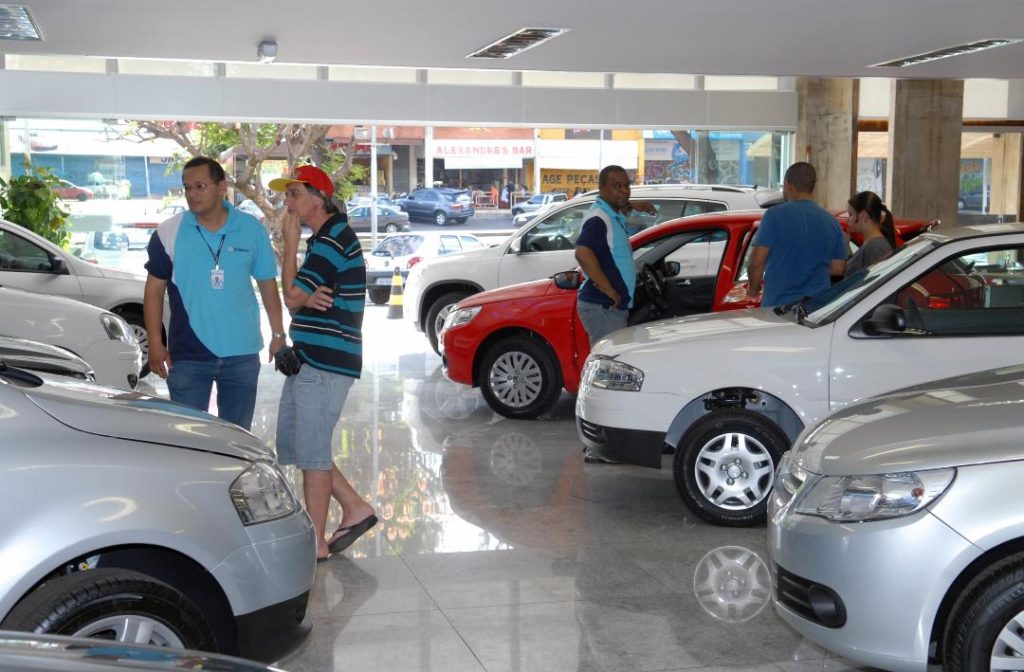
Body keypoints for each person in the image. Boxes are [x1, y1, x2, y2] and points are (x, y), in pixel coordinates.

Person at [270, 165, 377, 562]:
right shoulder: (323, 240)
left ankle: (315, 543)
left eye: (294, 194)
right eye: (286, 194)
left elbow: (291, 296)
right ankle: (355, 508)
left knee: (312, 453)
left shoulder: (332, 239)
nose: (287, 202)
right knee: (301, 445)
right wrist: (302, 298)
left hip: (326, 364)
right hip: (311, 360)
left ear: (318, 198)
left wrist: (291, 246)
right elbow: (298, 299)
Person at [144, 156, 285, 430]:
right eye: (187, 188)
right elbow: (153, 291)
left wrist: (278, 334)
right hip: (188, 355)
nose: (192, 194)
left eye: (200, 186)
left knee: (236, 438)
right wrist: (155, 343)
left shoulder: (251, 229)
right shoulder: (168, 232)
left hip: (242, 354)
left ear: (222, 187)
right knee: (190, 440)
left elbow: (267, 285)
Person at [574, 165, 655, 464]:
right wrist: (608, 289)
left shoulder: (612, 213)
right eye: (617, 186)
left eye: (626, 185)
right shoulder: (599, 218)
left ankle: (602, 442)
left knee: (607, 374)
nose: (623, 191)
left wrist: (635, 205)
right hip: (602, 307)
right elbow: (583, 253)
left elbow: (620, 207)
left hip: (610, 307)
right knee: (604, 377)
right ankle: (595, 447)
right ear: (603, 189)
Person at [745, 162, 846, 308]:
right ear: (813, 186)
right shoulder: (831, 221)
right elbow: (838, 268)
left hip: (778, 307)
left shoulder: (774, 216)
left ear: (788, 184)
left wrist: (753, 290)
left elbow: (756, 263)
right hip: (817, 309)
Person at [845, 190, 896, 277]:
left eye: (850, 214)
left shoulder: (876, 247)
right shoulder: (872, 244)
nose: (847, 220)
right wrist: (846, 246)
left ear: (864, 216)